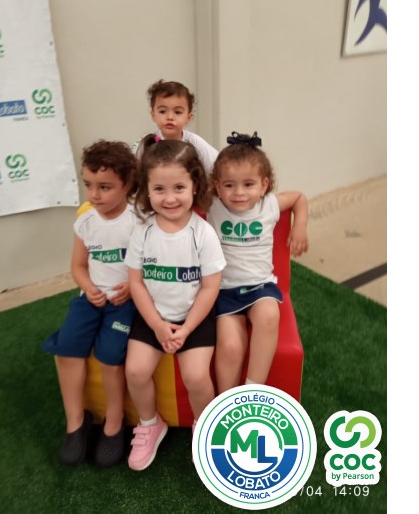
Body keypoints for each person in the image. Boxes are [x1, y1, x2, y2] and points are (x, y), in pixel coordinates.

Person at [124, 139, 225, 471]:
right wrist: (156, 324)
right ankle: (151, 423)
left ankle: (204, 425)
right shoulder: (143, 233)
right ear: (146, 190)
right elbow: (136, 282)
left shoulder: (203, 233)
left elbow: (210, 287)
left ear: (195, 185)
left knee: (196, 376)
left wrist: (186, 329)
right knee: (136, 371)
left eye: (179, 187)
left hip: (194, 318)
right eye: (159, 189)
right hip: (152, 317)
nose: (169, 198)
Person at [41, 140, 138, 467]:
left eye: (105, 187)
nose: (94, 194)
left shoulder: (139, 221)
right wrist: (88, 287)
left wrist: (132, 286)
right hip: (91, 299)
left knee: (110, 356)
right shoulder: (85, 222)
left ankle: (114, 423)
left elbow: (151, 264)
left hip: (125, 303)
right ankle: (76, 424)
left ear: (127, 184)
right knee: (67, 349)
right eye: (89, 185)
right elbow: (78, 266)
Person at [207, 132, 310, 394]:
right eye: (229, 185)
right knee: (230, 346)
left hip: (260, 287)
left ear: (264, 185)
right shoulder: (214, 206)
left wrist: (299, 226)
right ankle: (226, 400)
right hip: (225, 290)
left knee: (269, 315)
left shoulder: (269, 205)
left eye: (248, 184)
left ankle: (253, 390)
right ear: (217, 187)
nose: (239, 193)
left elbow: (298, 197)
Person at [134, 79, 219, 174]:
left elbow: (218, 167)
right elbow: (131, 170)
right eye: (162, 111)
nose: (170, 117)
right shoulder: (146, 142)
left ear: (189, 117)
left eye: (178, 112)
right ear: (153, 115)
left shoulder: (195, 142)